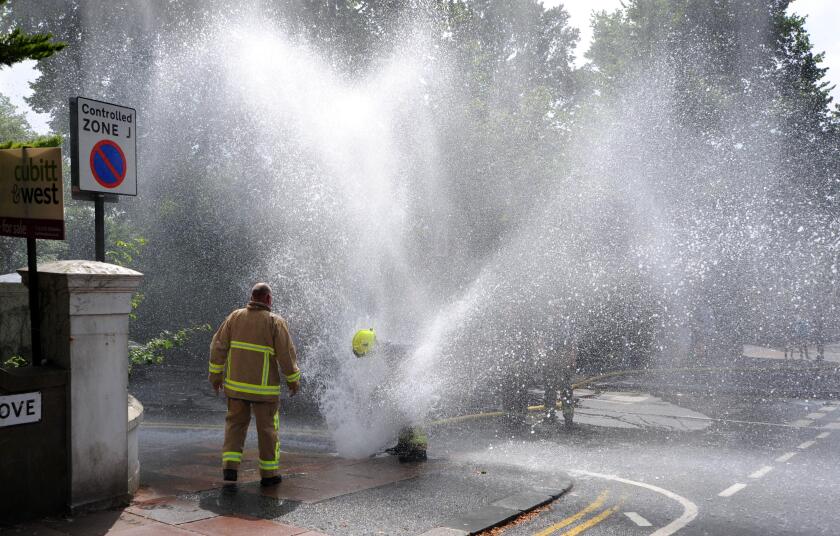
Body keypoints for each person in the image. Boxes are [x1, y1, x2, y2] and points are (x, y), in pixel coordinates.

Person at [208, 282, 301, 487]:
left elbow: (218, 347)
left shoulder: (235, 317)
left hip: (236, 387)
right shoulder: (275, 322)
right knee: (267, 430)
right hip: (264, 391)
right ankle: (269, 475)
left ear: (252, 297)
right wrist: (293, 380)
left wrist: (215, 377)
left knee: (234, 426)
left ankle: (230, 469)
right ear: (268, 299)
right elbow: (286, 355)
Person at [351, 328, 428, 462]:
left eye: (366, 354)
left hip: (417, 382)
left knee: (406, 405)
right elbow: (394, 375)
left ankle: (418, 447)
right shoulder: (386, 350)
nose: (366, 357)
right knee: (397, 401)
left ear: (369, 345)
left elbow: (405, 374)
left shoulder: (392, 352)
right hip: (408, 380)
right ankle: (404, 443)